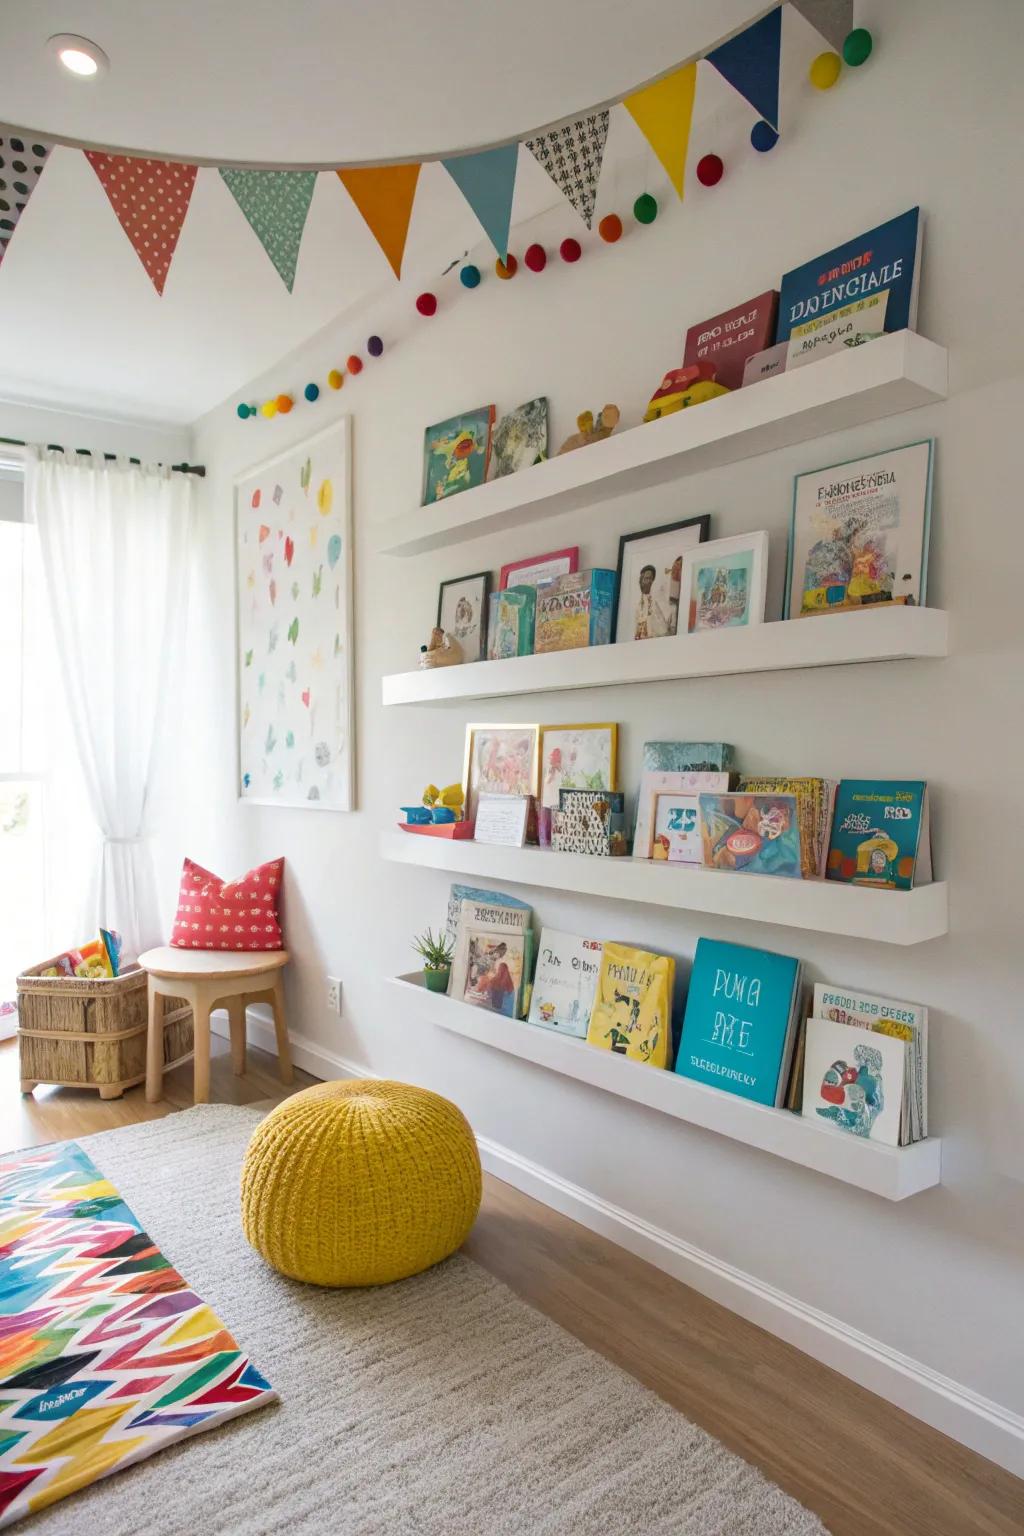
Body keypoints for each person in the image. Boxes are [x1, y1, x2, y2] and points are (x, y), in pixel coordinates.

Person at [634, 564, 670, 639]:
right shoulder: (638, 604)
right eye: (646, 578)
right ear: (641, 580)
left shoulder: (657, 599)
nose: (648, 581)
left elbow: (665, 626)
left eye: (650, 579)